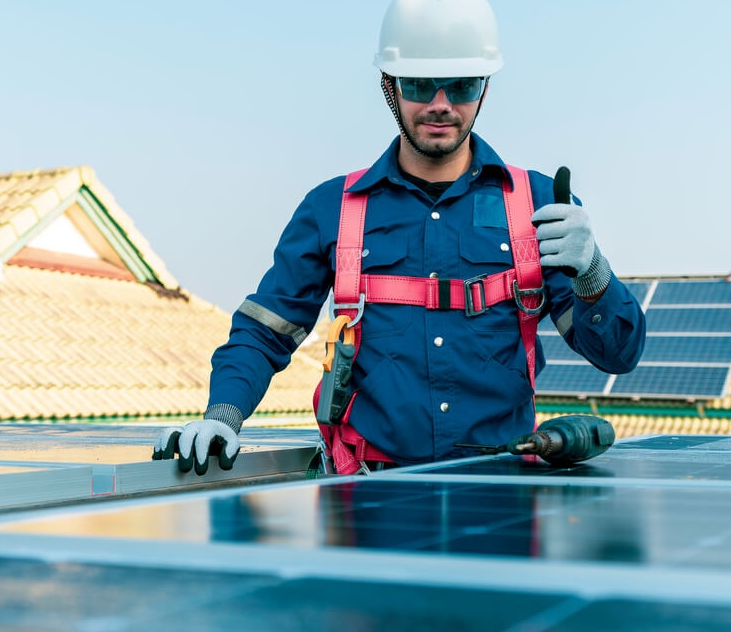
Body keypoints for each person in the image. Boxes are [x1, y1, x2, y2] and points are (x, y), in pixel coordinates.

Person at [154, 0, 646, 475]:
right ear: (389, 86)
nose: (440, 105)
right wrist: (223, 415)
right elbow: (264, 332)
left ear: (485, 89)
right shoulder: (333, 209)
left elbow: (616, 357)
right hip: (366, 496)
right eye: (419, 85)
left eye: (460, 86)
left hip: (503, 499)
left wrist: (593, 272)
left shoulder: (538, 206)